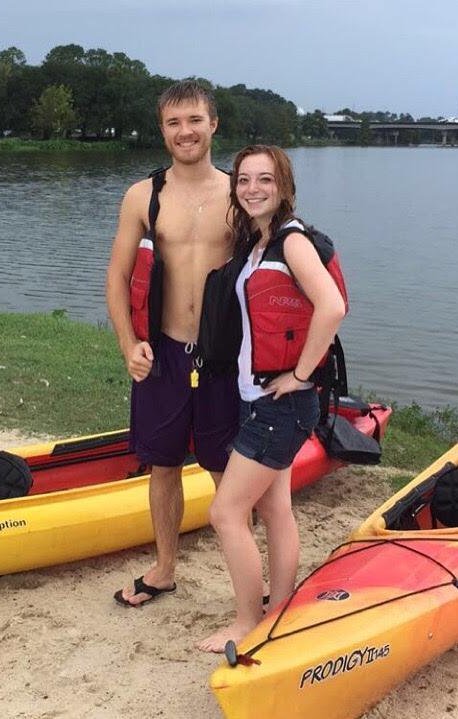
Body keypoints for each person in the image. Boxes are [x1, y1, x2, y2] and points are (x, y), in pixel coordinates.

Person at [197, 145, 346, 653]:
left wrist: (301, 374)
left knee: (225, 514)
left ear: (283, 186)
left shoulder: (291, 240)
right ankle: (280, 607)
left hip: (279, 405)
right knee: (275, 508)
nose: (253, 188)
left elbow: (331, 306)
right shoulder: (257, 244)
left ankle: (246, 622)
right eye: (243, 180)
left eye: (265, 179)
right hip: (256, 397)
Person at [106, 81, 239, 607]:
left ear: (214, 125)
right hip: (163, 352)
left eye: (194, 120)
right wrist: (129, 345)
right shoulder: (144, 196)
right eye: (173, 123)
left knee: (226, 468)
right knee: (162, 466)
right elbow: (116, 279)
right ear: (162, 130)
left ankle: (244, 582)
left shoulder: (239, 193)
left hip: (223, 357)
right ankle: (163, 569)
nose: (185, 132)